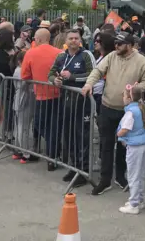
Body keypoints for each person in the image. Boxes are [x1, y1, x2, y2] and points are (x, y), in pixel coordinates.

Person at [82, 33, 145, 196]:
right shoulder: (112, 56)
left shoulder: (141, 60)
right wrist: (89, 84)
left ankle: (121, 176)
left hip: (127, 110)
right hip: (107, 106)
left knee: (124, 145)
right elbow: (98, 71)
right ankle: (104, 180)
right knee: (106, 144)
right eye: (115, 43)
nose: (116, 47)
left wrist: (136, 89)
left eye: (120, 44)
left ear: (129, 45)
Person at [49, 30, 93, 187]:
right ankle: (73, 168)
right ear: (66, 40)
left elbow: (92, 75)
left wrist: (72, 77)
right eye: (71, 38)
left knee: (82, 136)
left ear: (80, 40)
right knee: (68, 135)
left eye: (76, 38)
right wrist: (55, 81)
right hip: (66, 102)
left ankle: (84, 170)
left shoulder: (86, 55)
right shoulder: (61, 56)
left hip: (83, 102)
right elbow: (50, 74)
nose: (74, 41)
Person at [21, 29, 63, 171]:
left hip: (41, 95)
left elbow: (25, 76)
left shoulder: (30, 53)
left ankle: (53, 152)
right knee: (54, 125)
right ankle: (54, 154)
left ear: (37, 39)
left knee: (41, 123)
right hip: (59, 94)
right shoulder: (59, 52)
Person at [117, 84, 145, 215]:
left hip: (134, 147)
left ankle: (134, 203)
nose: (123, 98)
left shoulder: (130, 112)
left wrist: (119, 134)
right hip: (141, 145)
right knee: (140, 174)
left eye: (124, 96)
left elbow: (125, 128)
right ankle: (139, 199)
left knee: (133, 176)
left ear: (129, 98)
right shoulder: (139, 109)